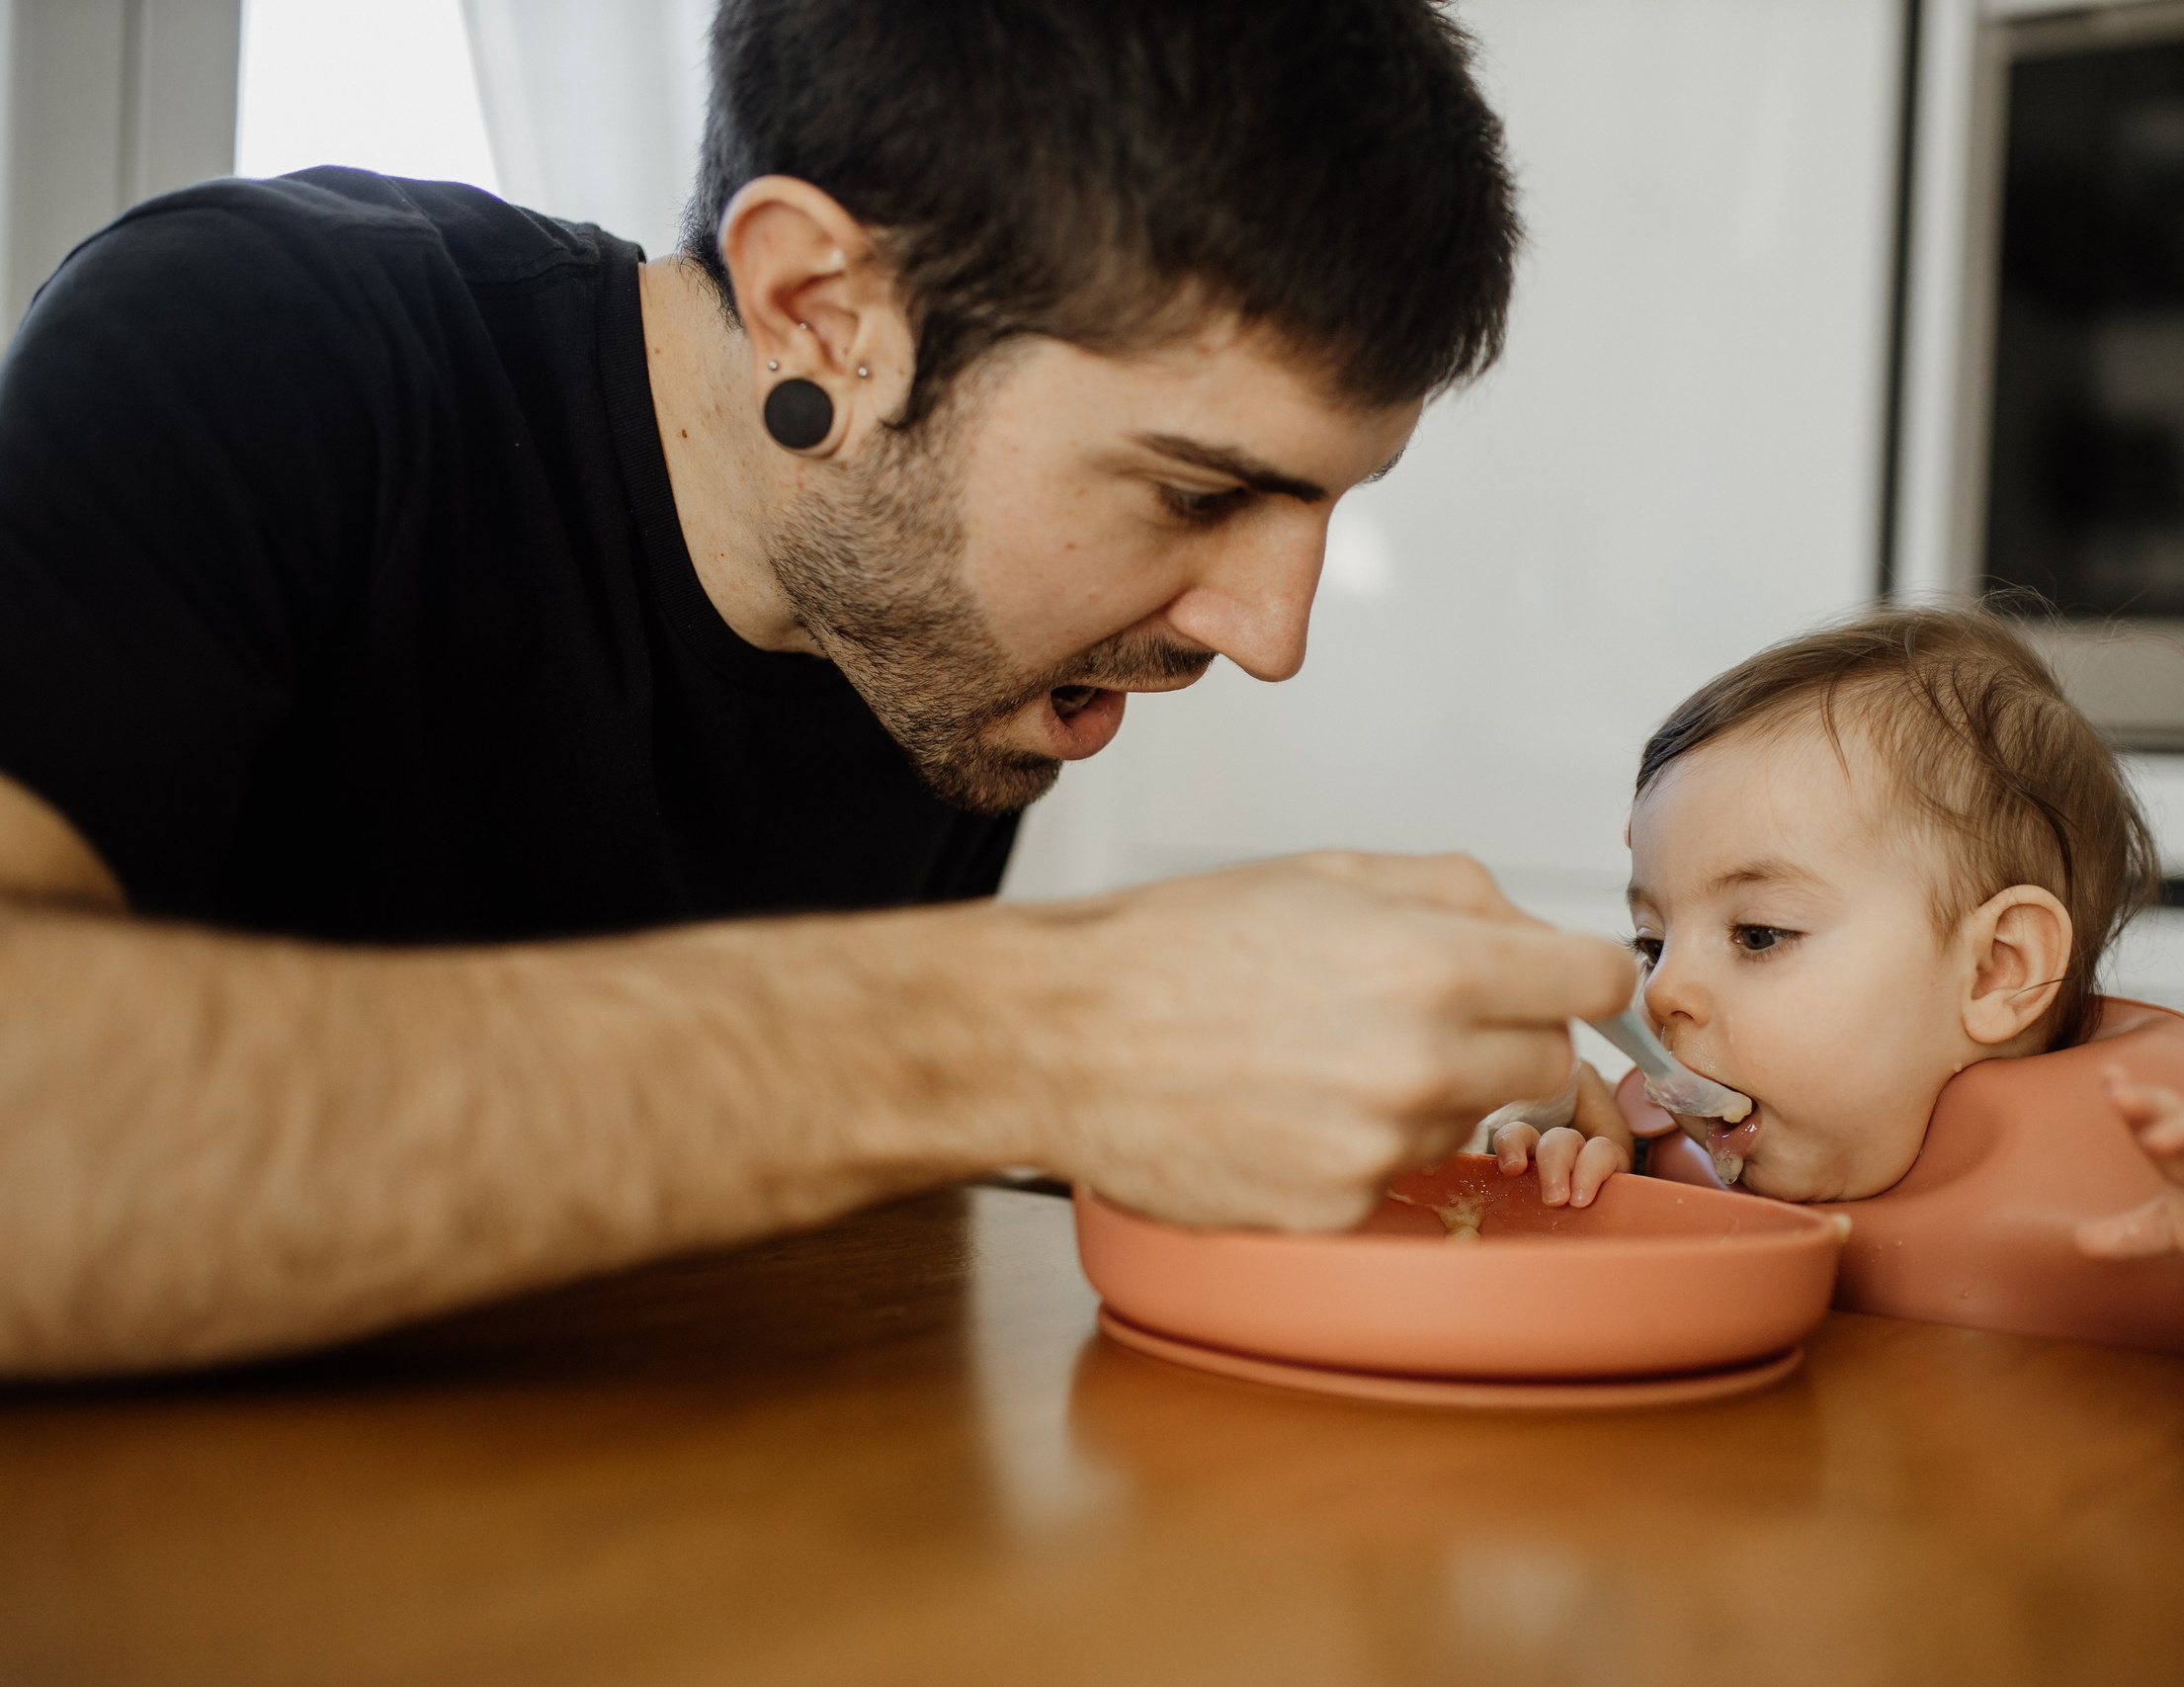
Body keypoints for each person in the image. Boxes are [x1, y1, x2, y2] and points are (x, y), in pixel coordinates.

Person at [0, 0, 1638, 1378]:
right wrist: (1043, 1024)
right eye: (1196, 492)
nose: (1272, 635)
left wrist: (1284, 1089)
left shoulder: (921, 650)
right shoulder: (254, 344)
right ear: (823, 315)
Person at [1491, 609, 2184, 1367]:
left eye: (1758, 934)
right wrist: (1545, 1147)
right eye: (1650, 942)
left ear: (1998, 969)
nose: (1664, 993)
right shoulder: (1659, 1151)